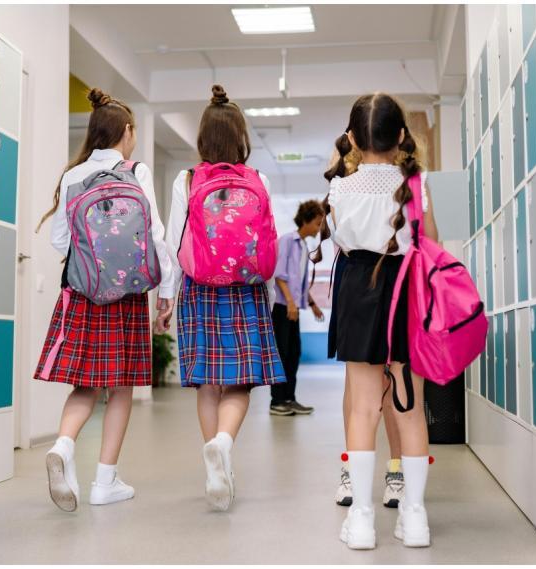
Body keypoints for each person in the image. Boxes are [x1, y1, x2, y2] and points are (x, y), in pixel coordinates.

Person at [33, 88, 174, 512]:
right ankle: (105, 481)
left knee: (85, 384)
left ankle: (62, 445)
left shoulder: (73, 176)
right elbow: (154, 236)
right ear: (126, 133)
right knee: (121, 388)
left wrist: (91, 258)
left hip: (82, 292)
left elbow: (60, 238)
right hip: (127, 295)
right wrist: (165, 293)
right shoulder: (137, 171)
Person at [314, 92, 439, 549]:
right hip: (406, 295)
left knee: (363, 408)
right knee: (409, 409)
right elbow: (429, 246)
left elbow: (343, 248)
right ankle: (415, 518)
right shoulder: (414, 186)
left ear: (351, 139)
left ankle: (363, 520)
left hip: (358, 295)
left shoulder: (340, 188)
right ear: (402, 136)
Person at [155, 85, 286, 512]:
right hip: (246, 289)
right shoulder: (259, 179)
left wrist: (166, 297)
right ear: (241, 136)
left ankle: (215, 461)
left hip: (199, 288)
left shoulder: (187, 179)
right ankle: (225, 445)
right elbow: (266, 241)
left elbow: (176, 243)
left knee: (208, 384)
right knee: (240, 381)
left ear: (202, 138)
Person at [331, 251, 406, 509]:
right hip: (358, 266)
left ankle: (398, 469)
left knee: (393, 382)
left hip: (399, 269)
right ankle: (351, 466)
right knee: (357, 381)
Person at [269, 200, 325, 416]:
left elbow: (298, 281)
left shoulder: (302, 245)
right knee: (282, 353)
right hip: (282, 307)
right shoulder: (287, 241)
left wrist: (312, 304)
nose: (318, 228)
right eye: (317, 223)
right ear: (307, 220)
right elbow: (280, 274)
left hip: (293, 307)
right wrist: (291, 303)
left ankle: (290, 399)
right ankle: (277, 401)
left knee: (293, 353)